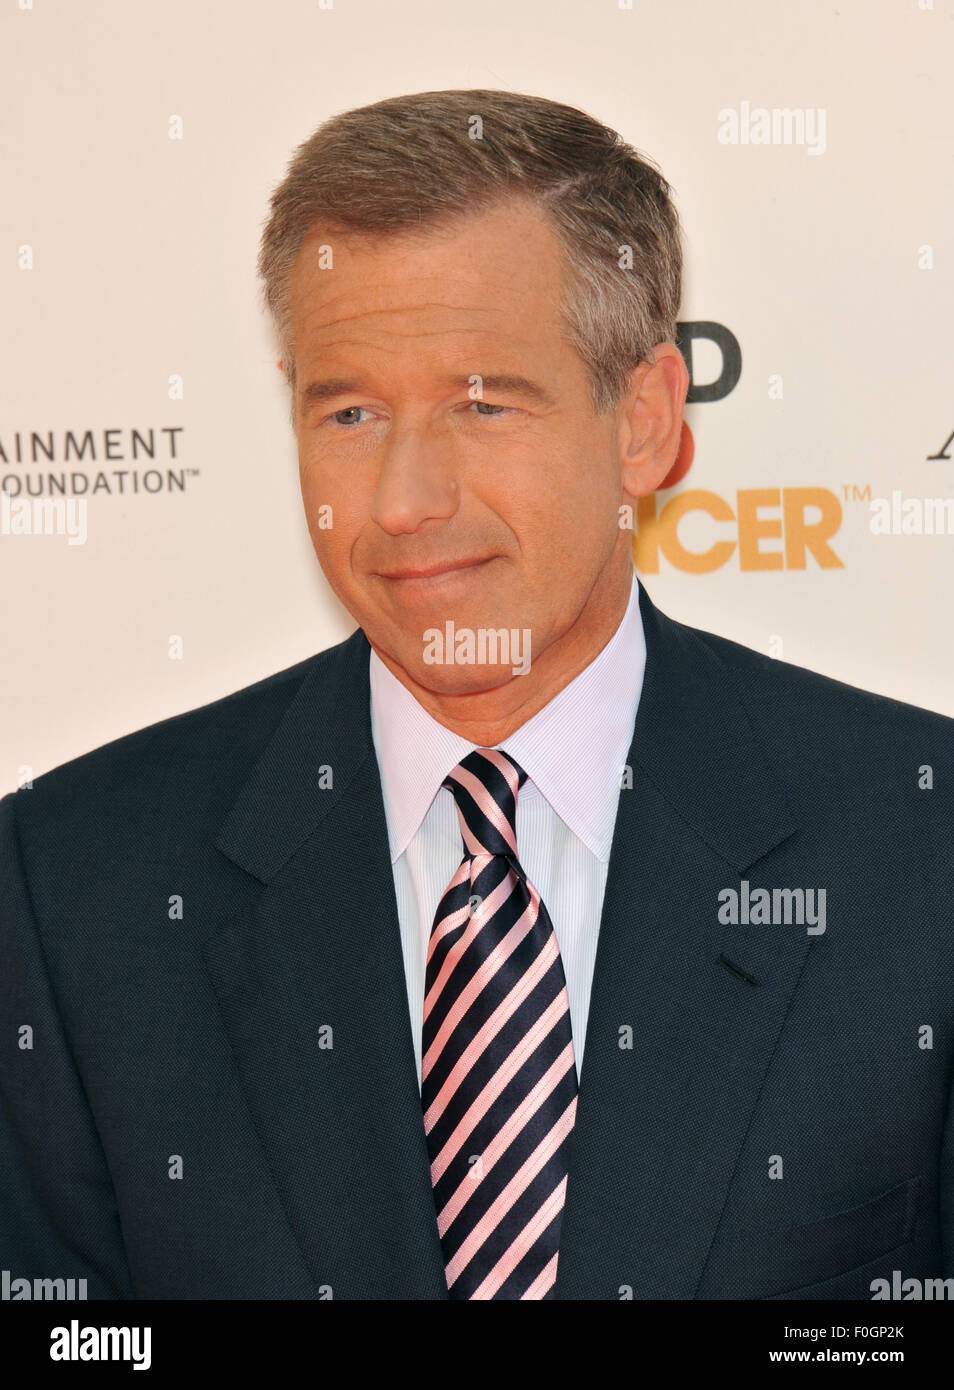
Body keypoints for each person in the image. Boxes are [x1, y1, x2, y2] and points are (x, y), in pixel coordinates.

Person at [2, 89, 952, 1302]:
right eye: (349, 411)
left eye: (482, 402)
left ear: (648, 422)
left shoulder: (921, 845)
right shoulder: (75, 881)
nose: (402, 498)